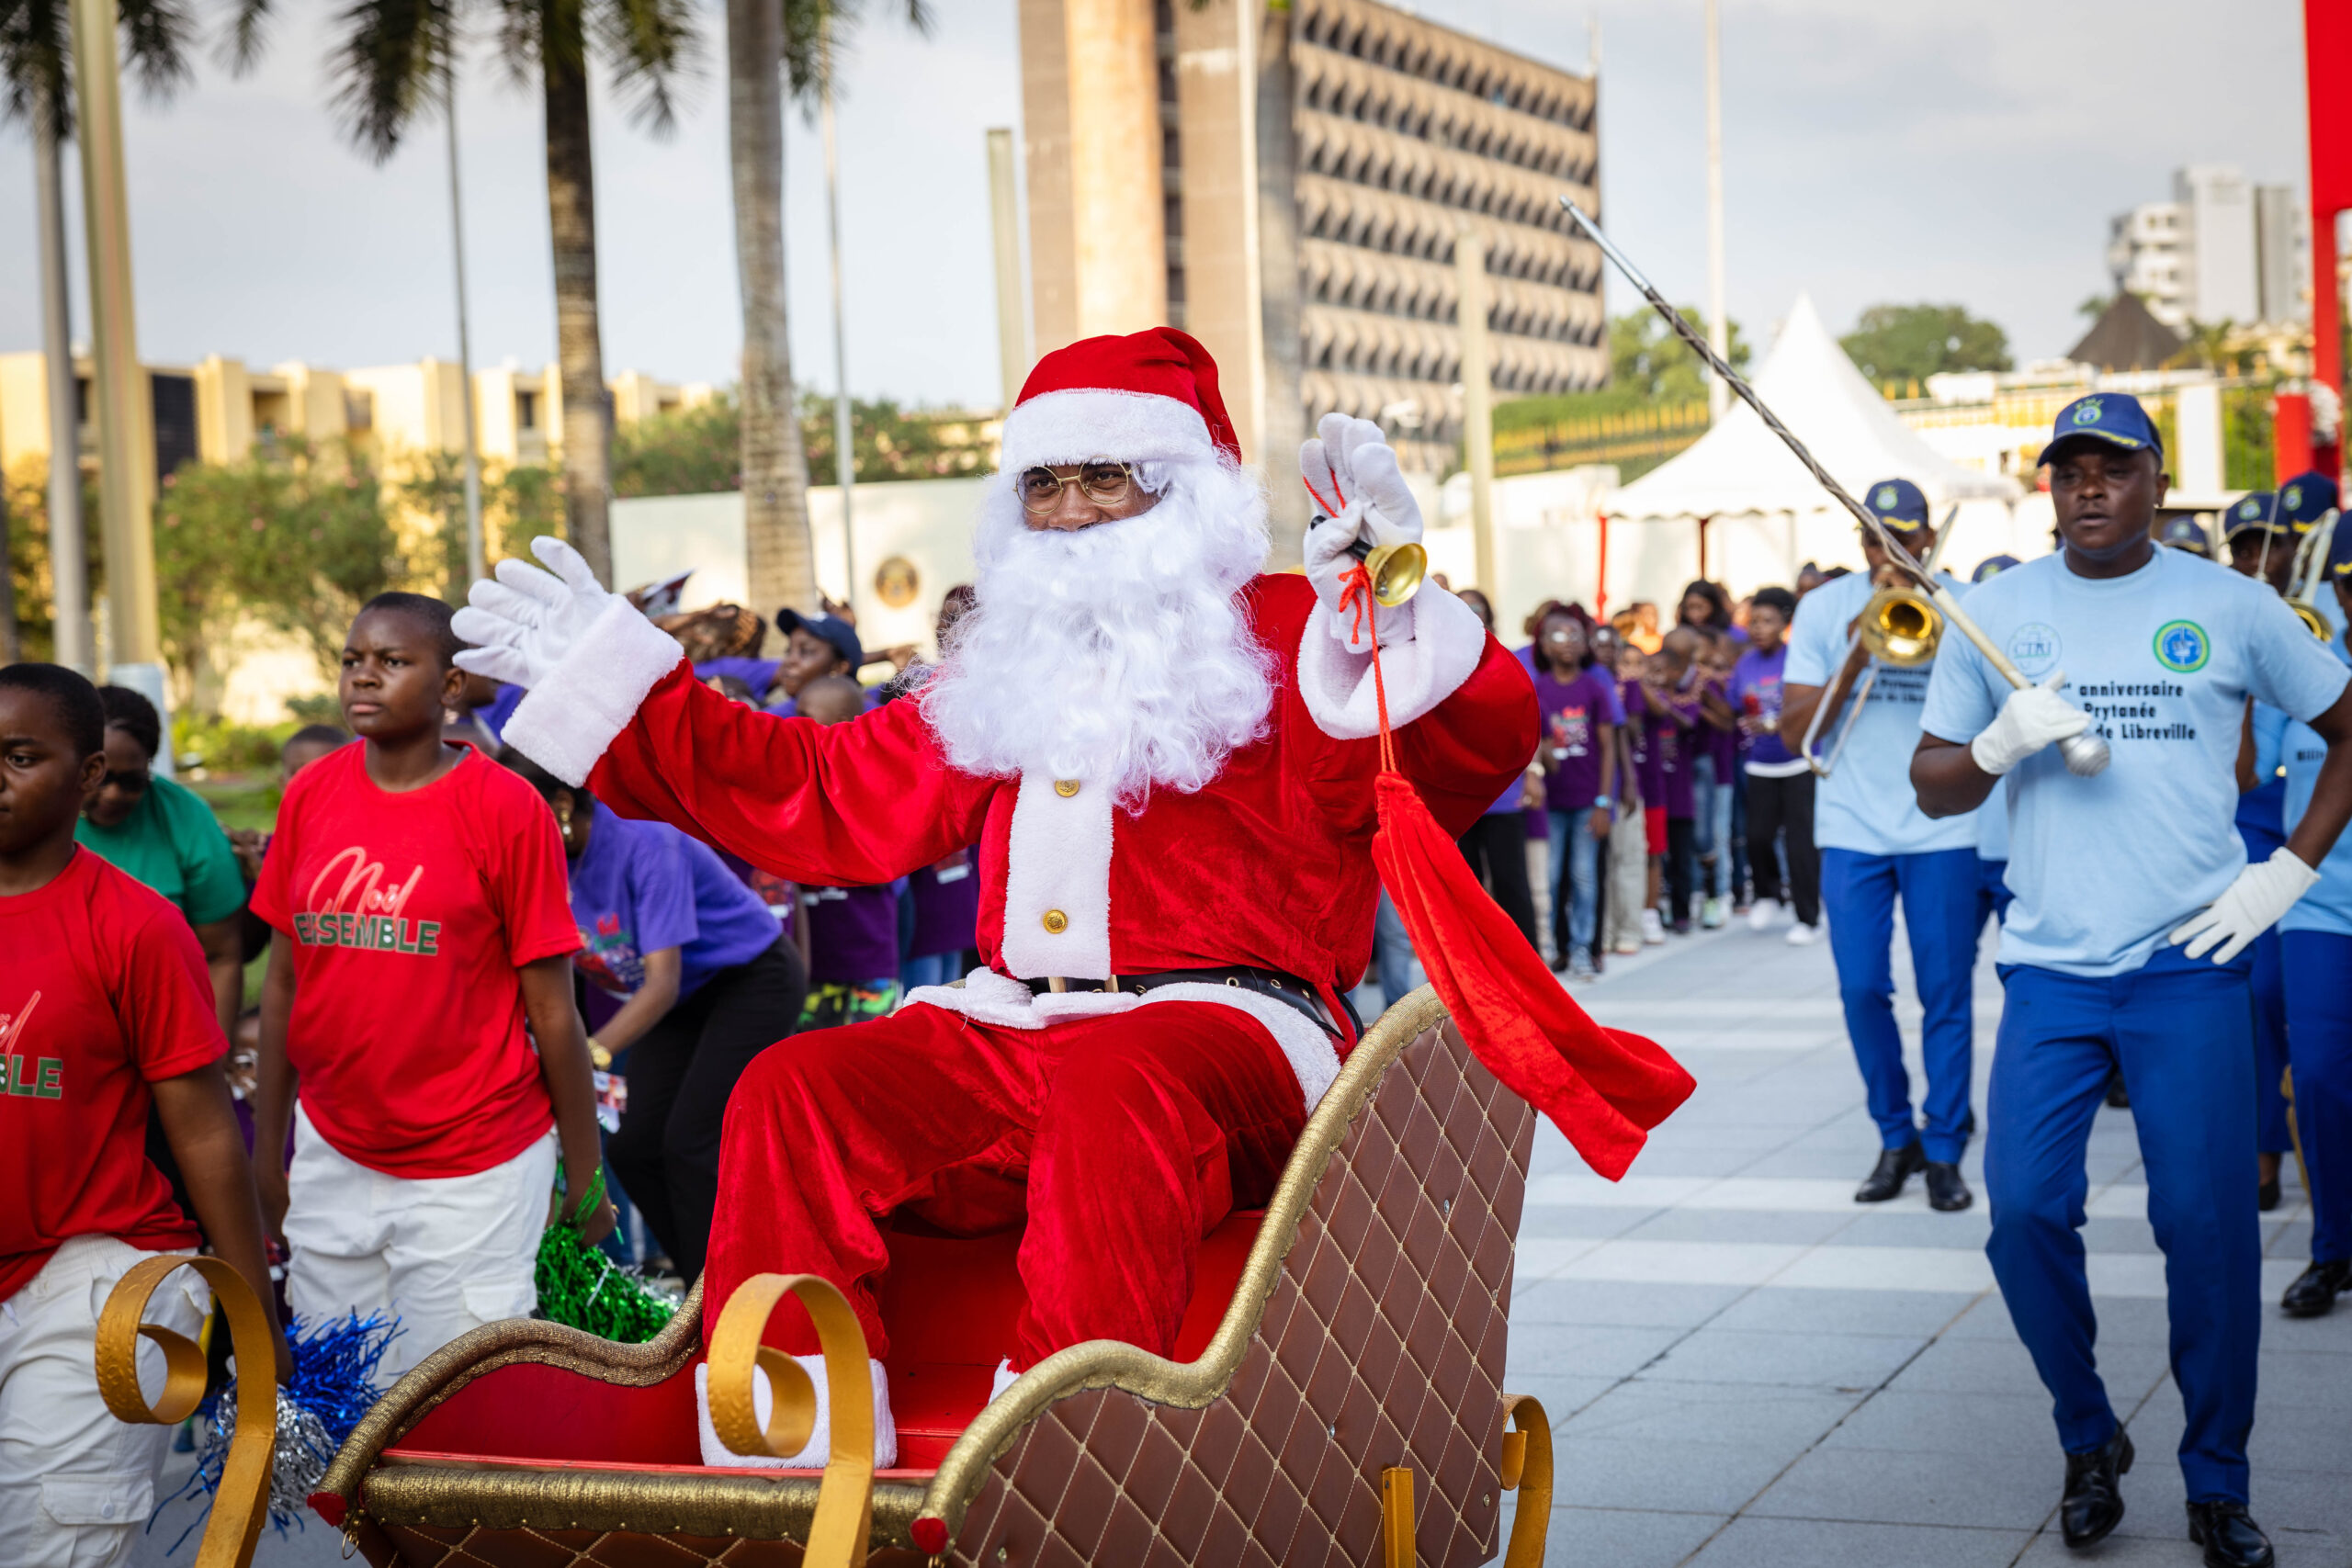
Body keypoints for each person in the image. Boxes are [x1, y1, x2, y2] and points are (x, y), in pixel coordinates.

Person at [457, 329, 1534, 1467]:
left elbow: (1444, 764)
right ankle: (789, 1448)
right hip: (1010, 1026)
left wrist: (1392, 614)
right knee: (793, 1086)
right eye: (1043, 483)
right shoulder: (1007, 654)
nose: (1067, 511)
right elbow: (823, 796)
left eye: (1105, 479)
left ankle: (1057, 1453)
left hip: (1231, 1034)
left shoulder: (1289, 625)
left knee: (1119, 1082)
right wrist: (624, 683)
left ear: (1185, 493)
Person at [1914, 392, 2352, 1566]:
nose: (2088, 487)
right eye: (2069, 470)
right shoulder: (1993, 613)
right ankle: (2086, 1434)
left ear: (2156, 480)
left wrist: (2286, 874)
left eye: (2113, 467)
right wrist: (1998, 743)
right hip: (2053, 972)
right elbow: (1932, 785)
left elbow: (2348, 722)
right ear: (2048, 486)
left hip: (2187, 964)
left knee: (2205, 1230)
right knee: (2023, 1216)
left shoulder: (2230, 604)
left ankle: (2217, 1480)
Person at [249, 592, 614, 1382]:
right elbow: (282, 983)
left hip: (474, 1161)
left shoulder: (506, 807)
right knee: (340, 1401)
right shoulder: (311, 794)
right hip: (335, 1149)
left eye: (392, 661)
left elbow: (553, 1008)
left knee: (455, 1407)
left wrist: (584, 1174)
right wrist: (267, 1154)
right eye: (353, 660)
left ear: (451, 687)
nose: (364, 677)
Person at [0, 663, 288, 1568]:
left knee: (51, 1543)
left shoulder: (135, 926)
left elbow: (202, 1129)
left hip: (101, 1278)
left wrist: (253, 1325)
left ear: (87, 777)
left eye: (20, 757)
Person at [500, 748, 807, 1285]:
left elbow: (661, 984)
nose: (505, 829)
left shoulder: (646, 841)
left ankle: (737, 1294)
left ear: (563, 803)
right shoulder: (537, 857)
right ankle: (703, 1288)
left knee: (690, 1142)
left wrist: (585, 1055)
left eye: (518, 813)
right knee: (635, 1148)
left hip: (749, 980)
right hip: (679, 1000)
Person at [1782, 479, 1981, 1211]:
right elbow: (1793, 731)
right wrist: (1858, 657)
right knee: (1863, 985)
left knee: (1945, 992)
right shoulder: (1823, 608)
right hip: (1853, 826)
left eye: (1904, 536)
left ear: (1929, 538)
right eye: (1874, 538)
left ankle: (1946, 1145)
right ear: (1858, 542)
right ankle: (1895, 1135)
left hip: (1944, 826)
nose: (1889, 551)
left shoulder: (1962, 603)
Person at [2263, 520, 2352, 1316]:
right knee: (2319, 1077)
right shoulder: (2307, 663)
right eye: (2351, 585)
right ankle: (2333, 1249)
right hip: (2319, 902)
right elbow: (2245, 773)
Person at [76, 687, 247, 1039]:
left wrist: (212, 1059)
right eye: (101, 776)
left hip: (160, 1024)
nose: (113, 794)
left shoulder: (186, 819)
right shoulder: (37, 812)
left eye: (133, 782)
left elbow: (221, 956)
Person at [788, 676, 910, 1029]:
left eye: (804, 716)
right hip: (816, 964)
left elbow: (891, 866)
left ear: (840, 726)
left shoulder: (874, 790)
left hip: (869, 963)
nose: (792, 723)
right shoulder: (797, 788)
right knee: (812, 1057)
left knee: (870, 1060)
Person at [1530, 604, 1622, 975]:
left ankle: (1583, 948)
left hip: (1587, 801)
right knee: (1550, 879)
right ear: (1545, 646)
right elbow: (1534, 743)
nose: (1567, 643)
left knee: (1584, 876)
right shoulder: (1537, 688)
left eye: (1575, 636)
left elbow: (1608, 748)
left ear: (1586, 645)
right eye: (1558, 636)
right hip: (1551, 802)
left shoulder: (1594, 688)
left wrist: (1604, 802)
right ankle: (1553, 948)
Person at [1457, 592, 1544, 953]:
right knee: (1467, 890)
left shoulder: (1504, 660)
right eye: (1460, 606)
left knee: (1512, 882)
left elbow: (1530, 720)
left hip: (1504, 793)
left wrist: (1535, 771)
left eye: (1476, 607)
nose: (1469, 614)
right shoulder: (1442, 659)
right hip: (1459, 795)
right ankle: (1476, 966)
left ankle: (1530, 962)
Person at [1732, 588, 1817, 934]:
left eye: (1767, 621)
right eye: (1754, 621)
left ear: (1785, 623)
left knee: (1800, 843)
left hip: (1797, 761)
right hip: (1760, 762)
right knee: (1756, 836)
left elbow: (1808, 706)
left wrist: (1774, 724)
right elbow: (1732, 706)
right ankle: (1767, 894)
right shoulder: (1744, 663)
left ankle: (1807, 918)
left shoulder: (1797, 658)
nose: (1758, 628)